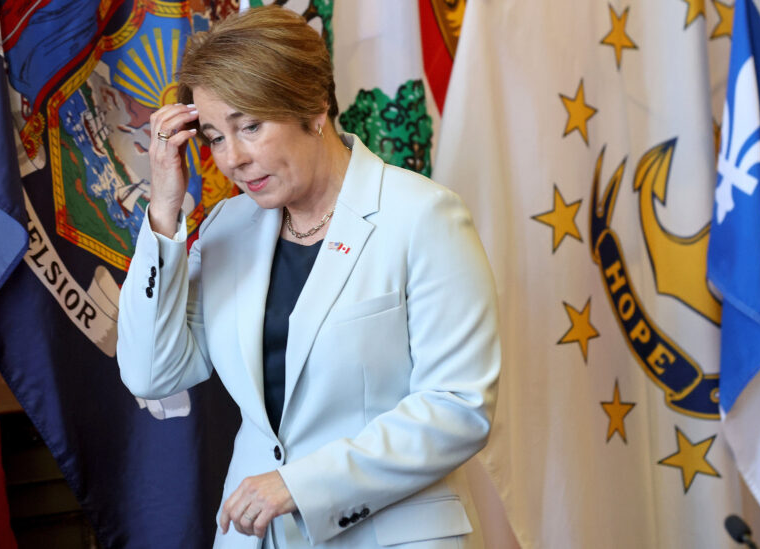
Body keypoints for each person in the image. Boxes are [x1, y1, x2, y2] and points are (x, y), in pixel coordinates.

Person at [117, 6, 500, 548]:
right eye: (215, 137)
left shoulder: (423, 216)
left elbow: (459, 408)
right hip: (257, 539)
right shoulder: (228, 227)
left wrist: (300, 485)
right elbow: (151, 373)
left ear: (315, 106)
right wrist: (163, 209)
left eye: (250, 126)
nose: (233, 159)